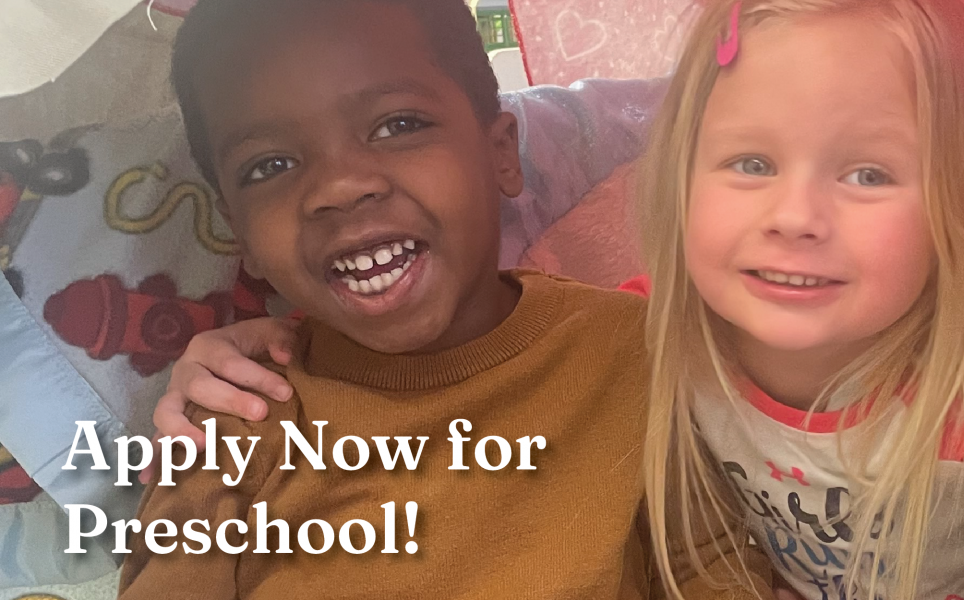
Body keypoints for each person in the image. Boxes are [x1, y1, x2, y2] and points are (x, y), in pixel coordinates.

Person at [154, 0, 964, 598]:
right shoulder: (665, 332)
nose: (795, 214)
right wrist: (239, 358)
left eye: (869, 173)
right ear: (684, 180)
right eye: (749, 163)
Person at [118, 0, 766, 597]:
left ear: (501, 155)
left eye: (398, 124)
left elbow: (714, 572)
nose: (339, 187)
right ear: (242, 239)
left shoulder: (640, 355)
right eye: (270, 166)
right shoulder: (231, 414)